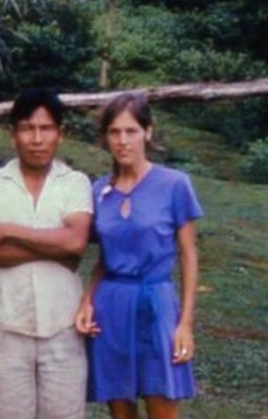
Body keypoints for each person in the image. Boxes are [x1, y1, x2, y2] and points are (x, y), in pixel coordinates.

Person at [75, 92, 203, 419]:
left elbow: (189, 257)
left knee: (161, 403)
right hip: (112, 305)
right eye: (114, 132)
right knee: (120, 409)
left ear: (147, 131)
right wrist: (88, 300)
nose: (123, 141)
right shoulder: (98, 190)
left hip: (157, 302)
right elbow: (105, 257)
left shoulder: (175, 185)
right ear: (106, 138)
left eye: (131, 131)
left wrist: (185, 323)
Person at [0, 88, 93, 419]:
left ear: (61, 134)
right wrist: (56, 251)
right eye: (27, 128)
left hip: (63, 326)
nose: (37, 139)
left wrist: (9, 230)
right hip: (7, 327)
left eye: (46, 128)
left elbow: (75, 243)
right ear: (13, 135)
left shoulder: (75, 183)